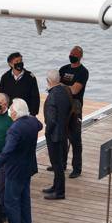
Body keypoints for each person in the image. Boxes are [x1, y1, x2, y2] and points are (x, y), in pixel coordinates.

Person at [0, 98, 42, 223]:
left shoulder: (14, 129)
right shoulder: (32, 122)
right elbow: (40, 125)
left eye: (12, 111)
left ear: (16, 113)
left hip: (15, 169)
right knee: (24, 198)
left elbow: (7, 151)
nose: (10, 113)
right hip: (28, 166)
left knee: (11, 200)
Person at [58, 45, 89, 178]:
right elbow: (55, 86)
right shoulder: (63, 69)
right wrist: (64, 87)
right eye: (71, 53)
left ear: (80, 56)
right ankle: (61, 164)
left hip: (75, 106)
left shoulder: (83, 72)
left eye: (74, 54)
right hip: (62, 105)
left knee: (75, 138)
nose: (72, 55)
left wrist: (61, 86)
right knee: (61, 137)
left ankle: (77, 168)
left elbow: (75, 90)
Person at [43, 69, 73, 200]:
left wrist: (47, 133)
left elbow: (51, 120)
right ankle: (56, 186)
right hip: (63, 132)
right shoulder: (64, 92)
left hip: (54, 136)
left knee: (57, 164)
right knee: (59, 163)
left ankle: (60, 191)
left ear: (48, 81)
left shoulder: (51, 97)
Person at [0, 52, 40, 116]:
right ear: (11, 64)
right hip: (9, 112)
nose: (20, 63)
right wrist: (0, 109)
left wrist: (33, 114)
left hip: (25, 113)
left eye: (21, 60)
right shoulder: (5, 77)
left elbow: (35, 97)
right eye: (17, 61)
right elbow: (1, 94)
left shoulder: (30, 77)